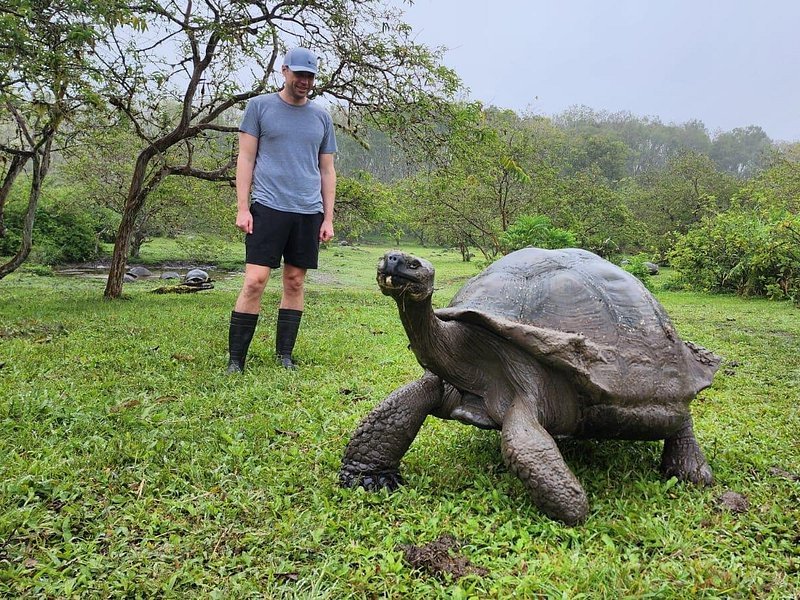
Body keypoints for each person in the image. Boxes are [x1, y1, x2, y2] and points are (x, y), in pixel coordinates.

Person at [226, 47, 337, 373]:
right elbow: (245, 159)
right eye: (299, 74)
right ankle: (236, 360)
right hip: (268, 207)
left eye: (310, 76)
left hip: (307, 210)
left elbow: (327, 169)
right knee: (255, 281)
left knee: (294, 281)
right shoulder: (260, 107)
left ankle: (284, 355)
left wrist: (328, 217)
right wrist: (243, 208)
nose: (305, 81)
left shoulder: (321, 117)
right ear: (284, 71)